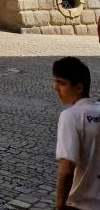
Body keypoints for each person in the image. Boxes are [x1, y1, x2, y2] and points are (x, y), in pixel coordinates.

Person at [52, 56, 100, 209]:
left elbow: (66, 168)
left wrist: (59, 206)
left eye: (61, 83)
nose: (56, 88)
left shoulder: (70, 116)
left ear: (79, 87)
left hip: (81, 204)